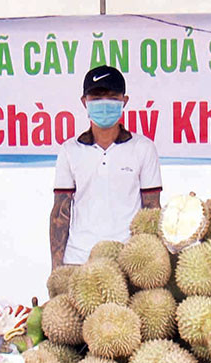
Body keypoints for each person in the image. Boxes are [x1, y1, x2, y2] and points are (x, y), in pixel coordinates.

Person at [49, 65, 162, 269]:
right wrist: (56, 268)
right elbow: (60, 212)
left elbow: (152, 210)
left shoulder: (143, 148)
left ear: (124, 101)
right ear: (84, 102)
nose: (103, 103)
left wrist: (150, 262)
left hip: (128, 260)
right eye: (96, 97)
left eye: (111, 96)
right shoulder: (69, 150)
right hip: (79, 260)